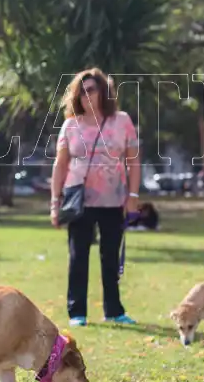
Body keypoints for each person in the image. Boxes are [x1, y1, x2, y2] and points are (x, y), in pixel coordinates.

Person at [50, 68, 141, 327]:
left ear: (103, 91)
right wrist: (55, 203)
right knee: (78, 257)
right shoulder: (70, 125)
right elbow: (60, 165)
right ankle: (76, 312)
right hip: (79, 199)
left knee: (110, 257)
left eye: (91, 89)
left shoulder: (121, 121)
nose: (86, 95)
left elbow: (134, 162)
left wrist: (133, 196)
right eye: (81, 91)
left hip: (113, 200)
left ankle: (114, 310)